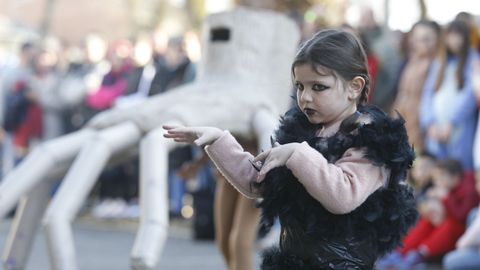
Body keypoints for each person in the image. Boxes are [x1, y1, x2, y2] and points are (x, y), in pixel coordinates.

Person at [163, 29, 417, 269]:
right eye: (300, 86)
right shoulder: (302, 132)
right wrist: (218, 140)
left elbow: (343, 195)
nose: (305, 97)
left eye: (319, 87)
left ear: (355, 87)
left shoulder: (370, 140)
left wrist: (297, 154)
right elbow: (259, 181)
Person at [378, 159, 479, 269]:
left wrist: (446, 197)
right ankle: (402, 252)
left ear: (454, 176)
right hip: (447, 222)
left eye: (440, 178)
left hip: (462, 230)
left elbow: (462, 216)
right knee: (427, 221)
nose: (437, 182)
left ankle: (421, 254)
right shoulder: (451, 187)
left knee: (449, 225)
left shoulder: (469, 189)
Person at [420, 19, 478, 171]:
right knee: (438, 171)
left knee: (458, 171)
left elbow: (471, 95)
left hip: (459, 128)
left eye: (459, 35)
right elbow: (428, 94)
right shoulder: (440, 62)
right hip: (436, 129)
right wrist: (430, 123)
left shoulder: (473, 60)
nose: (455, 40)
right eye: (451, 35)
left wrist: (452, 123)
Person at [391, 20, 441, 153]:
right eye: (417, 38)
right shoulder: (410, 60)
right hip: (401, 125)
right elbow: (402, 94)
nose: (420, 43)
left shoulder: (437, 65)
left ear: (437, 40)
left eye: (426, 39)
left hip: (420, 129)